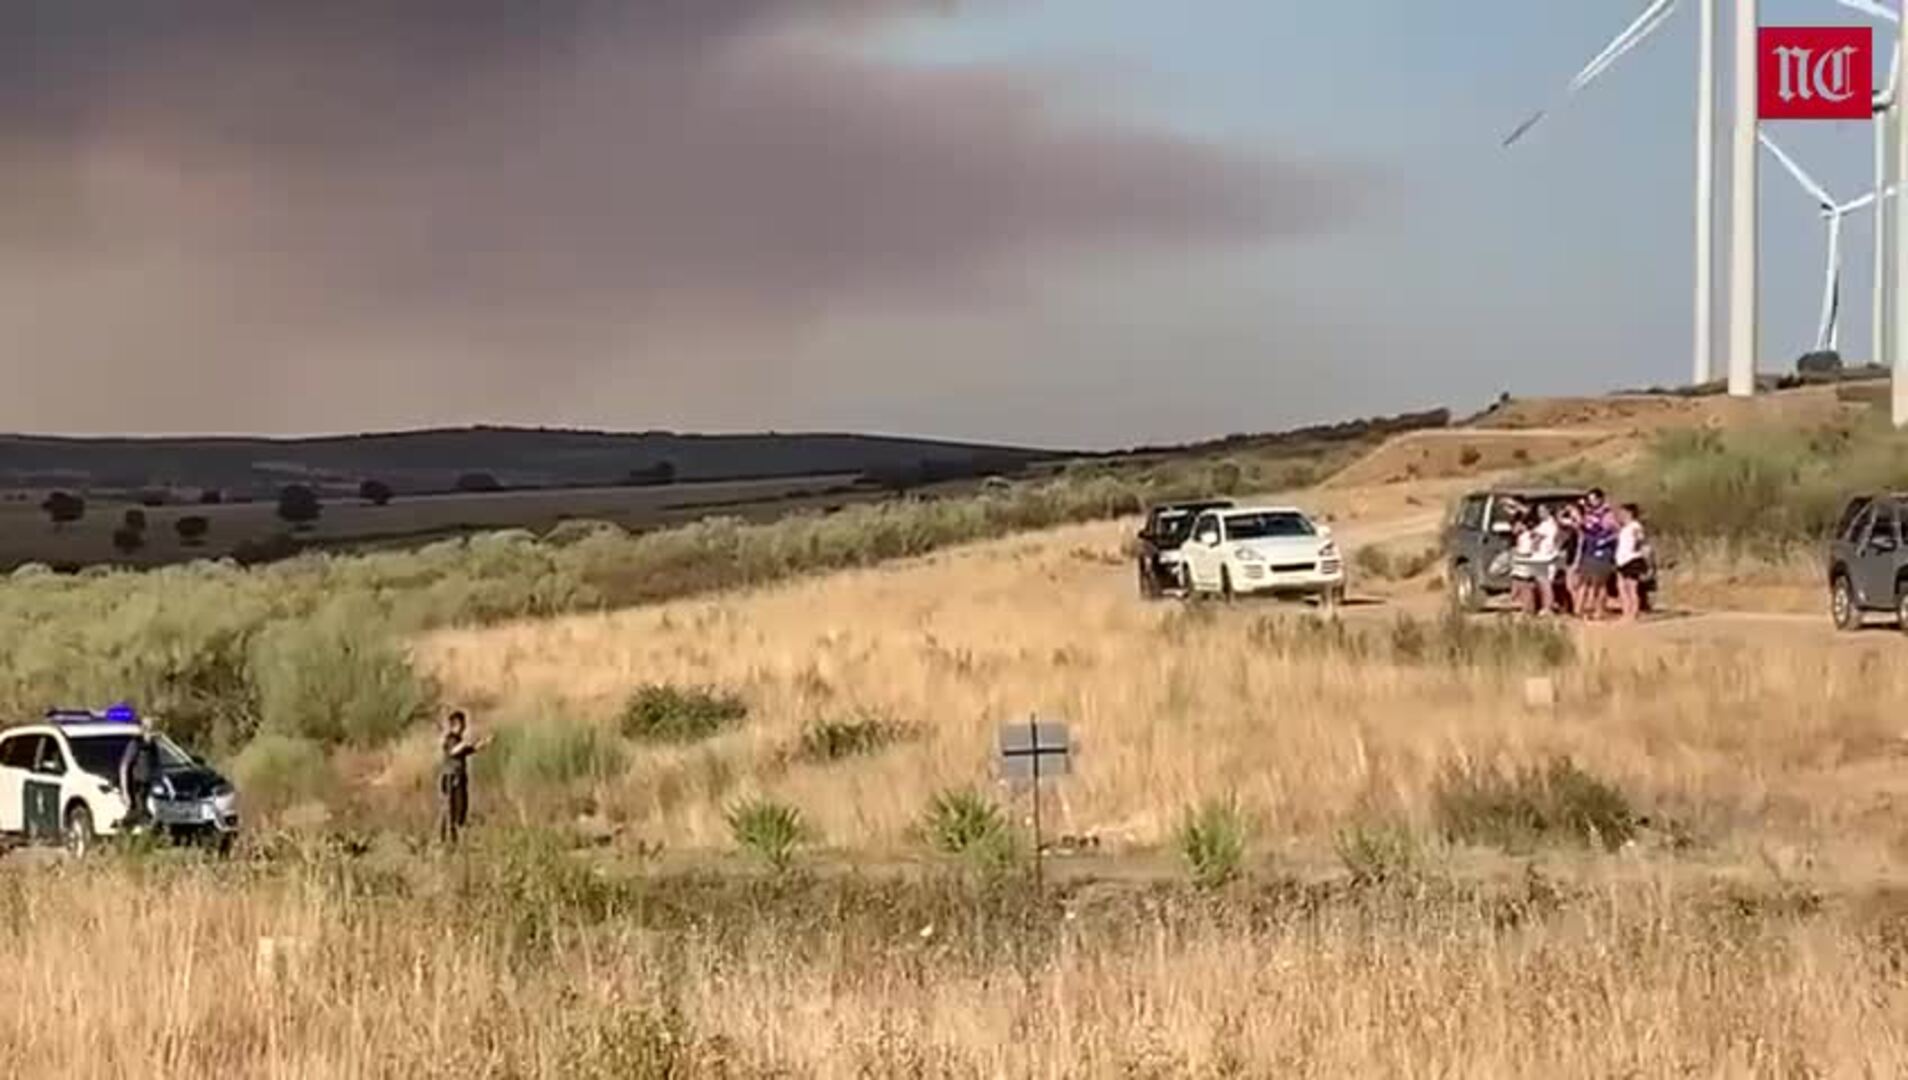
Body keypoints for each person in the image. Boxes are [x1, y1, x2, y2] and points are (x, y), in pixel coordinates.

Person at [437, 710, 489, 846]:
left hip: (460, 779)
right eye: (462, 723)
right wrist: (465, 744)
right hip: (450, 779)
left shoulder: (459, 740)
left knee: (461, 809)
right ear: (456, 724)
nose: (464, 726)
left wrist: (483, 743)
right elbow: (453, 751)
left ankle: (455, 839)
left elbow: (469, 750)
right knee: (450, 810)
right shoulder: (451, 739)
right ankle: (446, 839)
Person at [1574, 489, 1618, 621]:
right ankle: (1580, 609)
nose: (1592, 502)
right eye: (1590, 499)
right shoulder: (1588, 513)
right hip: (1588, 551)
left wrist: (1605, 541)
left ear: (1600, 499)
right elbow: (1582, 528)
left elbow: (1616, 531)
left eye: (1594, 499)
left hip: (1602, 553)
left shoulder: (1608, 514)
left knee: (1599, 584)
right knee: (1585, 582)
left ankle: (1599, 610)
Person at [117, 713, 160, 833]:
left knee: (144, 815)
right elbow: (124, 767)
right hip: (135, 786)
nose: (151, 732)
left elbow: (157, 766)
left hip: (147, 787)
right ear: (143, 729)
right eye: (149, 728)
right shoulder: (135, 744)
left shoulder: (153, 747)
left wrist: (157, 781)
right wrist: (125, 791)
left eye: (153, 728)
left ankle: (130, 835)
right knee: (139, 814)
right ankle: (123, 833)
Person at [1614, 502, 1652, 621]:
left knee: (1631, 588)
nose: (1620, 515)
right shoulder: (1624, 527)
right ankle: (1626, 612)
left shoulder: (1635, 526)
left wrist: (1640, 548)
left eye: (1622, 512)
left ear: (1629, 513)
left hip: (1632, 559)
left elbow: (1641, 539)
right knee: (1621, 587)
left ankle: (1633, 613)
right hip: (1622, 560)